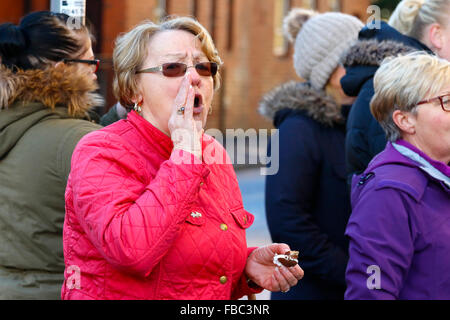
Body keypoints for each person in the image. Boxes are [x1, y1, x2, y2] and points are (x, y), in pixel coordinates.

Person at [61, 16, 304, 300]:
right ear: (133, 89)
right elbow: (132, 253)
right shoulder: (102, 150)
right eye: (173, 68)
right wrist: (185, 153)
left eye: (203, 66)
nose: (194, 78)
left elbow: (192, 272)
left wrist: (245, 269)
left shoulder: (213, 152)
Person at [258, 9, 363, 300]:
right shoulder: (296, 129)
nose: (364, 68)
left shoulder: (358, 122)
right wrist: (352, 273)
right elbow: (286, 226)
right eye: (352, 59)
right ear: (326, 70)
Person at [0, 11, 102, 299]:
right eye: (90, 62)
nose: (95, 70)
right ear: (62, 68)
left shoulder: (13, 122)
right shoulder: (81, 140)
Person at [345, 53, 450, 300]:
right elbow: (369, 293)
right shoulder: (389, 192)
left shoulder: (437, 177)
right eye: (446, 101)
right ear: (405, 120)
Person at [341, 0, 450, 184]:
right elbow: (397, 186)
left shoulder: (411, 85)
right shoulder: (392, 88)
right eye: (446, 102)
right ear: (437, 35)